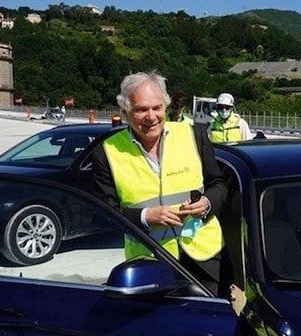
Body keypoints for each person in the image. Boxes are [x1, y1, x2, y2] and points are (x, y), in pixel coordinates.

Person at [91, 70, 229, 295]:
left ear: (166, 106)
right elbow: (101, 214)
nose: (151, 116)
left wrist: (207, 203)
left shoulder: (194, 135)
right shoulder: (107, 151)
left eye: (157, 108)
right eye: (141, 109)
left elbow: (219, 185)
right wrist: (146, 217)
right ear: (126, 112)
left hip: (205, 258)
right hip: (149, 261)